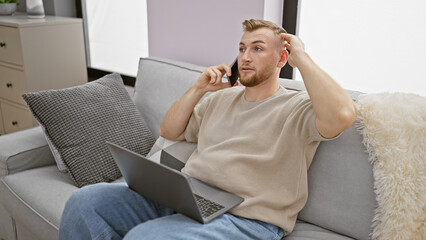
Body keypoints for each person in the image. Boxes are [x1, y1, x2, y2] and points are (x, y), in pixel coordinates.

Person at [59, 19, 357, 240]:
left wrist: (301, 57)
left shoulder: (298, 108)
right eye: (242, 48)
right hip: (189, 199)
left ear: (282, 57)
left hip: (247, 220)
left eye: (257, 48)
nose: (245, 57)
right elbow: (170, 131)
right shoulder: (220, 99)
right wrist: (197, 89)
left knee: (146, 238)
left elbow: (343, 114)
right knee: (85, 202)